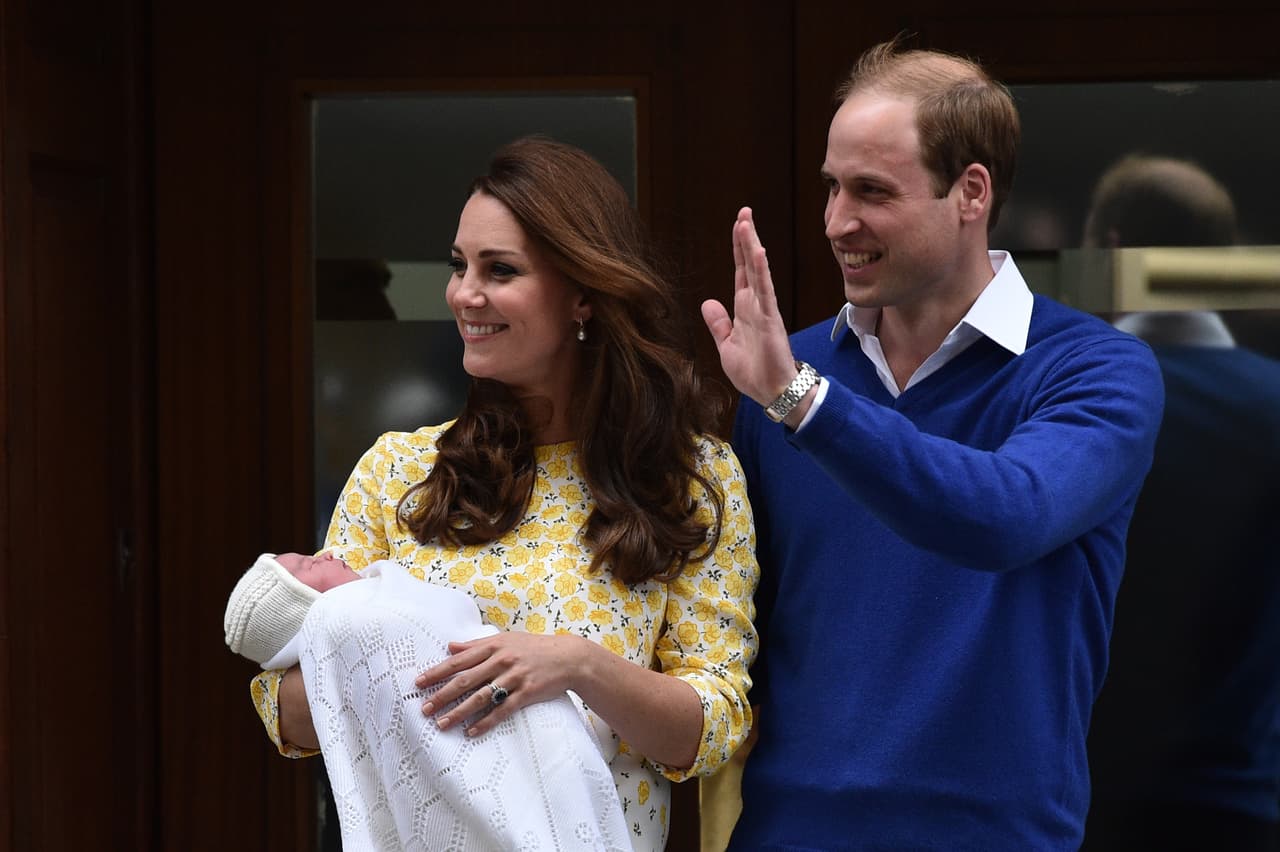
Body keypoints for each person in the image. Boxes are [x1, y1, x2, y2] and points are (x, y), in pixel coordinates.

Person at [700, 39, 1165, 849]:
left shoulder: (1095, 368)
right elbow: (735, 641)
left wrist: (803, 402)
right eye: (832, 186)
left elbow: (1007, 515)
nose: (837, 221)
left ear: (971, 193)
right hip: (789, 834)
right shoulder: (783, 377)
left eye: (872, 191)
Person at [246, 137, 760, 852]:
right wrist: (411, 664)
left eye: (500, 270)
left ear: (584, 294)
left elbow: (714, 725)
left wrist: (575, 665)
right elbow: (286, 711)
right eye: (459, 265)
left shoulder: (689, 477)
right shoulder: (399, 471)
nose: (464, 293)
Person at [1080, 155, 1280, 851]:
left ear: (1110, 252)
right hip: (1239, 807)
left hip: (1081, 802)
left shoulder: (1060, 408)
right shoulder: (1274, 408)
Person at [225, 550, 630, 851]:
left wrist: (577, 664)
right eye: (309, 566)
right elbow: (283, 699)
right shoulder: (351, 616)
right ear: (305, 605)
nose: (326, 553)